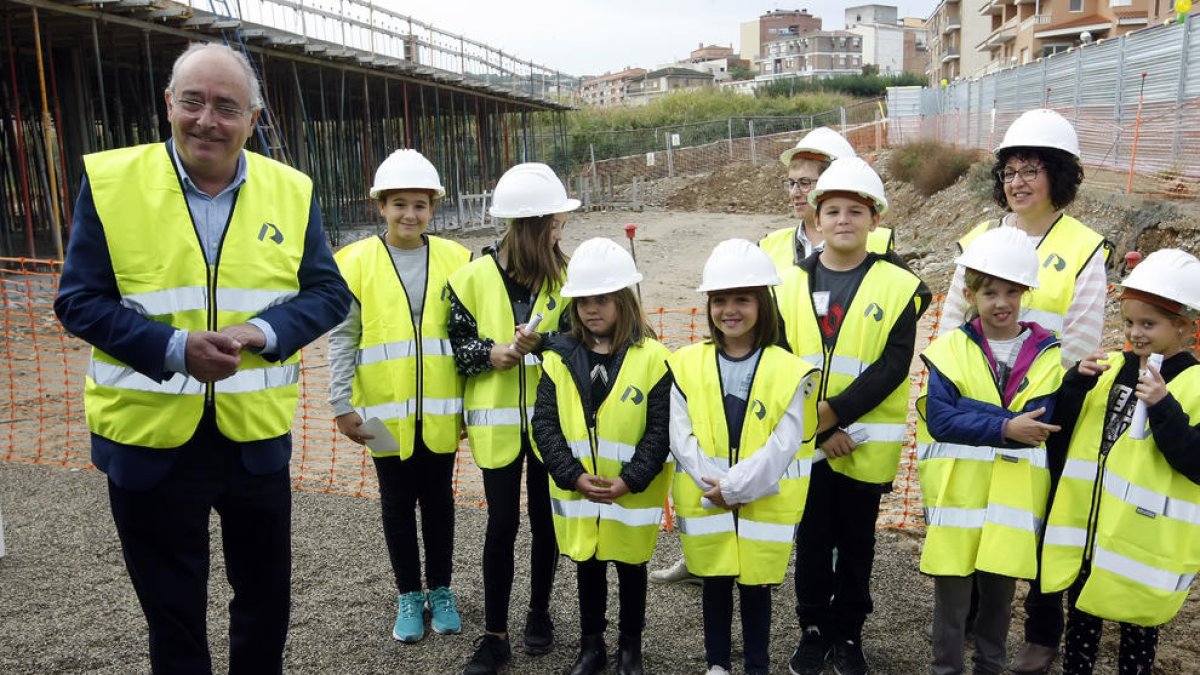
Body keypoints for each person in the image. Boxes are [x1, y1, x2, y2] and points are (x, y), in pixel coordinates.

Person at [53, 43, 351, 674]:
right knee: (172, 614)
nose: (206, 120)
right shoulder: (111, 183)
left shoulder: (291, 191)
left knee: (266, 603)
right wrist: (173, 348)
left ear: (253, 117)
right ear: (168, 104)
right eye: (191, 102)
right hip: (148, 439)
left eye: (225, 106)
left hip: (253, 440)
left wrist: (262, 332)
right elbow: (78, 301)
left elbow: (329, 293)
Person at [938, 108, 1110, 674]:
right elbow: (951, 326)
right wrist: (975, 407)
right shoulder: (980, 238)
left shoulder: (1084, 248)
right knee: (972, 511)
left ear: (1059, 176)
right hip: (976, 405)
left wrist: (1034, 408)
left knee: (1035, 520)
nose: (1018, 181)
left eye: (1032, 169)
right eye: (1011, 169)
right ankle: (968, 619)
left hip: (1048, 407)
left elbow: (1080, 342)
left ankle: (1040, 631)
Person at [776, 157, 930, 675]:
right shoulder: (788, 284)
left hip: (862, 446)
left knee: (858, 547)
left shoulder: (897, 285)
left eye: (856, 211)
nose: (844, 220)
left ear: (875, 220)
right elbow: (778, 363)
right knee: (813, 544)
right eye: (833, 210)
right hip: (809, 446)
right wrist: (820, 429)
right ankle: (813, 630)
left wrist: (836, 416)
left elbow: (891, 366)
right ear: (817, 219)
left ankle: (849, 634)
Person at [328, 149, 472, 643]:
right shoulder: (356, 262)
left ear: (433, 208)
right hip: (383, 412)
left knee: (438, 502)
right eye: (399, 205)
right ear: (380, 207)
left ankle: (442, 590)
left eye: (420, 205)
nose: (410, 214)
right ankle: (409, 594)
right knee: (395, 502)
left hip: (441, 411)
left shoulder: (458, 260)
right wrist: (340, 405)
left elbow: (465, 336)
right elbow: (343, 336)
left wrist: (470, 406)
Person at [1040, 249, 1200, 675]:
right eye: (1129, 323)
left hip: (1140, 545)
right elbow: (1065, 429)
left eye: (1149, 324)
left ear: (1183, 326)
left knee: (1137, 630)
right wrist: (1074, 383)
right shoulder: (1111, 370)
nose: (1135, 334)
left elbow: (1195, 461)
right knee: (1082, 622)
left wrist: (1165, 407)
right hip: (1089, 535)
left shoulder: (1195, 384)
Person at [448, 162, 579, 675]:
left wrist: (543, 342)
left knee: (547, 522)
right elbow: (456, 348)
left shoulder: (568, 279)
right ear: (529, 226)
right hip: (498, 424)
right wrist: (491, 354)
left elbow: (588, 340)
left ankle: (539, 615)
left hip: (551, 424)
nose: (559, 231)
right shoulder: (470, 279)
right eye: (554, 222)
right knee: (501, 524)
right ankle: (495, 635)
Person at [917, 228, 1065, 675]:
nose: (1002, 302)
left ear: (1025, 293)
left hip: (1010, 507)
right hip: (957, 501)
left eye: (1012, 291)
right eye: (990, 292)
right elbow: (941, 420)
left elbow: (1039, 425)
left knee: (998, 608)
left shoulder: (1048, 355)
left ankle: (990, 669)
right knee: (952, 610)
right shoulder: (947, 351)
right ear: (970, 294)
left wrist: (974, 412)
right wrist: (1005, 424)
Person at [670, 239, 820, 675]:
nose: (729, 309)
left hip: (759, 501)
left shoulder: (789, 369)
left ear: (763, 304)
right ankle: (717, 663)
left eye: (742, 299)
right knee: (714, 580)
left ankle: (757, 663)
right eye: (719, 299)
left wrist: (735, 487)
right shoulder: (685, 364)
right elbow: (680, 434)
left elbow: (785, 442)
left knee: (756, 586)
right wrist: (713, 484)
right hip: (708, 495)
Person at [532, 238, 673, 675]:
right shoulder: (558, 360)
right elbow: (545, 424)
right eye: (584, 301)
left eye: (603, 299)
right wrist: (570, 474)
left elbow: (660, 429)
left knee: (632, 569)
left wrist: (632, 479)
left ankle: (631, 646)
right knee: (587, 568)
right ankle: (590, 646)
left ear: (624, 301)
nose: (592, 309)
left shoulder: (654, 359)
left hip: (629, 494)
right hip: (581, 495)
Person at [758, 127, 893, 275]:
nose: (794, 193)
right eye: (791, 183)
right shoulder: (769, 247)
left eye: (804, 183)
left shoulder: (880, 245)